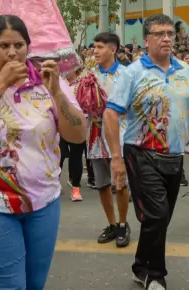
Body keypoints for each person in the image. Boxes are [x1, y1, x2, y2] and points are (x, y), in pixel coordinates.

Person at [0, 15, 87, 289]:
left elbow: (78, 134)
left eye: (19, 45)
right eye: (3, 45)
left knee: (35, 284)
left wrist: (57, 94)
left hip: (43, 202)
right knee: (11, 285)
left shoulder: (49, 79)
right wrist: (1, 83)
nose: (12, 52)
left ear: (29, 46)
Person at [104, 14, 189, 290]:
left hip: (175, 156)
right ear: (146, 40)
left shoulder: (185, 71)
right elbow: (111, 114)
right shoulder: (132, 72)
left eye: (170, 33)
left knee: (161, 217)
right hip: (141, 152)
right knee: (157, 215)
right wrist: (116, 159)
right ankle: (156, 275)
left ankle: (140, 265)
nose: (167, 38)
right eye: (159, 34)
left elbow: (188, 104)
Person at [79, 32, 131, 247]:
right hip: (94, 135)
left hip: (120, 135)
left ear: (113, 49)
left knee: (120, 182)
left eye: (100, 47)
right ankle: (111, 224)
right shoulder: (89, 74)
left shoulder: (127, 74)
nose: (96, 51)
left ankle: (123, 223)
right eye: (94, 47)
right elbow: (80, 103)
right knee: (101, 183)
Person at [60, 66, 86, 202]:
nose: (65, 71)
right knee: (59, 155)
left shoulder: (83, 84)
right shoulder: (60, 82)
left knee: (76, 157)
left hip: (77, 125)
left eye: (68, 68)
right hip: (60, 125)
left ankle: (76, 188)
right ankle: (54, 183)